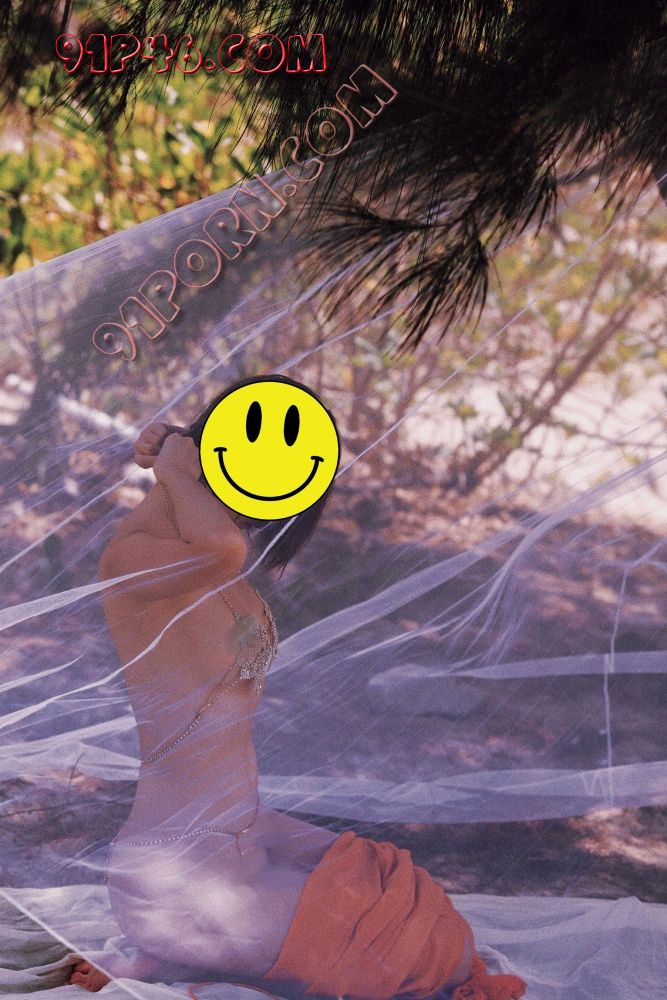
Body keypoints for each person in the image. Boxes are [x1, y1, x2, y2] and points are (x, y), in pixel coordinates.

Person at [68, 376, 526, 1000]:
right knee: (425, 957)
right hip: (174, 877)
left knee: (429, 922)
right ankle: (176, 947)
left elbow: (220, 548)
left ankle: (179, 957)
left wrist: (174, 462)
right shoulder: (137, 562)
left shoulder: (220, 576)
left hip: (242, 838)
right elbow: (221, 546)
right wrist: (173, 469)